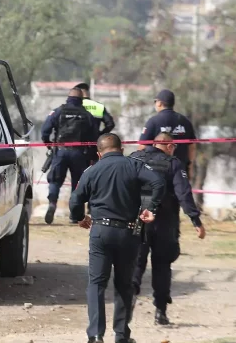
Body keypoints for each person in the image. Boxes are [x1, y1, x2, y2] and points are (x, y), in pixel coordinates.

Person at [70, 133, 165, 343]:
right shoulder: (133, 165)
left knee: (96, 284)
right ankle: (121, 336)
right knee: (124, 284)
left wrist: (78, 217)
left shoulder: (91, 170)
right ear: (121, 149)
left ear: (99, 153)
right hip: (127, 233)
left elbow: (75, 198)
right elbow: (158, 182)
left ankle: (95, 335)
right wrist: (151, 208)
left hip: (100, 231)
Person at [129, 133, 206, 326]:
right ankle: (160, 312)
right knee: (162, 266)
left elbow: (121, 188)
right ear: (170, 146)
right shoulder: (173, 163)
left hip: (138, 220)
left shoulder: (132, 159)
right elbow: (184, 194)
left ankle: (129, 299)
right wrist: (196, 220)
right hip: (164, 223)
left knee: (136, 263)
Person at [40, 87, 99, 225]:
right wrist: (91, 155)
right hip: (79, 153)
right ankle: (75, 214)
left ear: (68, 97)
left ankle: (52, 204)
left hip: (60, 151)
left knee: (55, 180)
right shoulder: (87, 114)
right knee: (77, 184)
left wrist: (49, 144)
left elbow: (44, 131)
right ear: (81, 100)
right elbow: (94, 137)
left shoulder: (58, 111)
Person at [138, 89, 197, 178]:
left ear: (159, 103)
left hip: (158, 172)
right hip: (180, 171)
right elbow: (192, 147)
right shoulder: (185, 121)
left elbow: (142, 147)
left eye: (155, 101)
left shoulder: (153, 122)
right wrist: (190, 167)